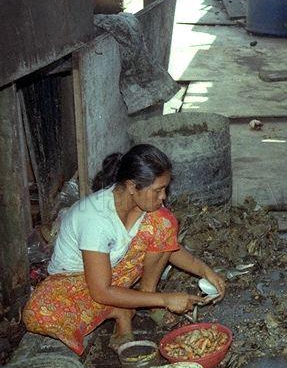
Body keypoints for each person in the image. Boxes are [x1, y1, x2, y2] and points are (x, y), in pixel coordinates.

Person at [22, 144, 226, 355]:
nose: (163, 196)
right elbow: (100, 291)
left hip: (115, 271)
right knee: (38, 314)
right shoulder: (96, 219)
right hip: (74, 280)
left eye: (164, 188)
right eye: (157, 190)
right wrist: (166, 299)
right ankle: (120, 310)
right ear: (131, 186)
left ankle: (144, 296)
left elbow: (169, 247)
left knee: (164, 221)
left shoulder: (146, 206)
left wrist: (204, 270)